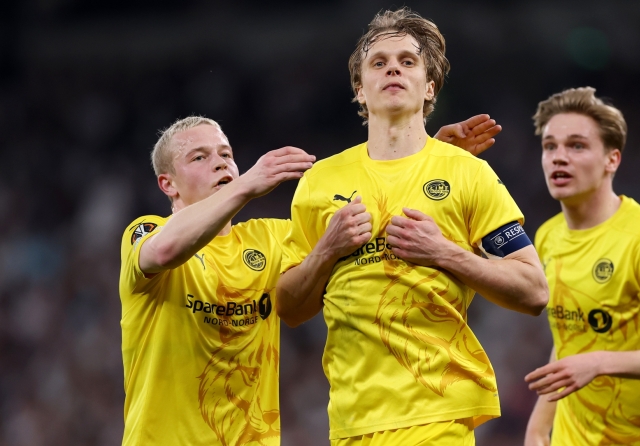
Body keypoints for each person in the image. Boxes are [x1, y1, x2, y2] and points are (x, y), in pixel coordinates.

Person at [118, 111, 505, 445]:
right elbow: (165, 252)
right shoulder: (146, 232)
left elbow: (366, 227)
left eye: (226, 154)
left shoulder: (269, 239)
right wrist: (248, 185)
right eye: (200, 157)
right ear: (168, 184)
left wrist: (427, 159)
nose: (220, 164)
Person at [276, 8, 549, 445]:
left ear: (429, 86)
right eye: (379, 63)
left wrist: (444, 252)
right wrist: (327, 250)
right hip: (352, 420)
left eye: (407, 61)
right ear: (359, 89)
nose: (393, 70)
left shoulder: (467, 172)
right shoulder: (319, 181)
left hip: (438, 414)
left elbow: (534, 290)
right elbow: (289, 308)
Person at [523, 88, 640, 445]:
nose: (559, 158)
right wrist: (539, 425)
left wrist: (598, 362)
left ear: (612, 160)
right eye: (550, 146)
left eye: (577, 146)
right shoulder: (547, 236)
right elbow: (571, 337)